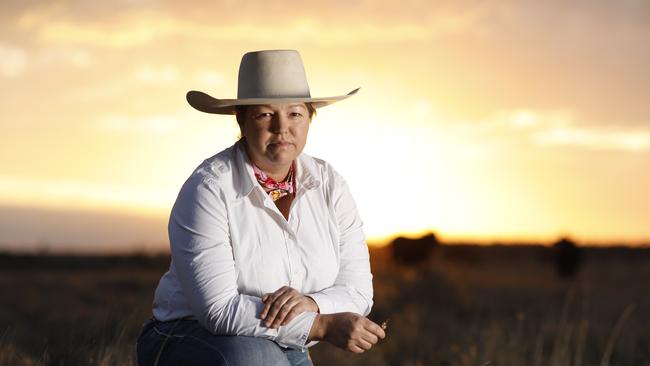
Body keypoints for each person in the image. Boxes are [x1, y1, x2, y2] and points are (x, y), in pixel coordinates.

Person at [136, 49, 386, 366]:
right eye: (265, 114)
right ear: (241, 120)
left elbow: (359, 291)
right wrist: (321, 324)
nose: (282, 127)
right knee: (256, 358)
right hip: (185, 335)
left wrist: (310, 303)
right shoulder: (209, 188)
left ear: (310, 118)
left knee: (266, 357)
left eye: (295, 113)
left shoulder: (330, 185)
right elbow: (219, 310)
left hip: (282, 343)